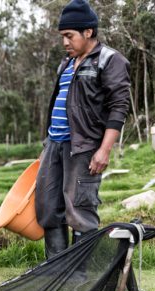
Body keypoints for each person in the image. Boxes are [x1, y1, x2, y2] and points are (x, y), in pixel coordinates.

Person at [35, 0, 130, 259]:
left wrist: (104, 150)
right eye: (63, 37)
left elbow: (119, 107)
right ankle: (56, 270)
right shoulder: (66, 63)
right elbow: (59, 104)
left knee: (80, 210)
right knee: (47, 207)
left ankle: (80, 277)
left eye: (69, 36)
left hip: (84, 147)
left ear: (88, 32)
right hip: (54, 144)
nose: (65, 42)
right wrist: (46, 146)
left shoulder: (110, 60)